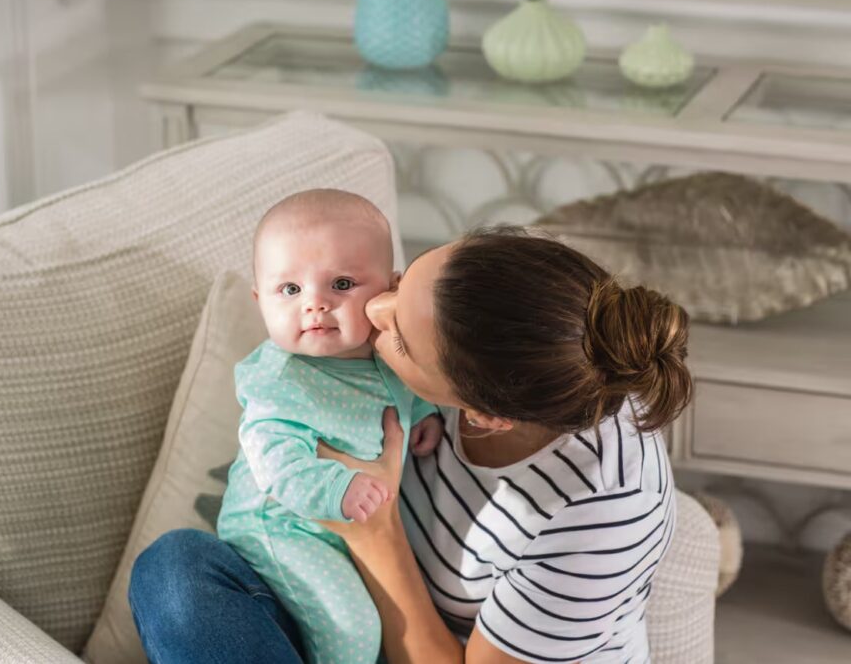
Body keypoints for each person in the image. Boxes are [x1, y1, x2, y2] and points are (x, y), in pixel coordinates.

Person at [129, 225, 692, 664]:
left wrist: (376, 535)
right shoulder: (489, 306)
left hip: (425, 641)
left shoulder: (601, 505)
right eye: (402, 282)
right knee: (176, 571)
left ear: (484, 413)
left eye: (398, 337)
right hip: (338, 589)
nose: (374, 312)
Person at [216, 189, 444, 664]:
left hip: (346, 527)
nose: (315, 305)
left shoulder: (386, 355)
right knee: (354, 629)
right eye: (291, 290)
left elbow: (403, 391)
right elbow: (276, 467)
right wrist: (341, 488)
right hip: (282, 527)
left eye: (341, 284)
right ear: (261, 302)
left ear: (389, 289)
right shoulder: (278, 381)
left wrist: (424, 415)